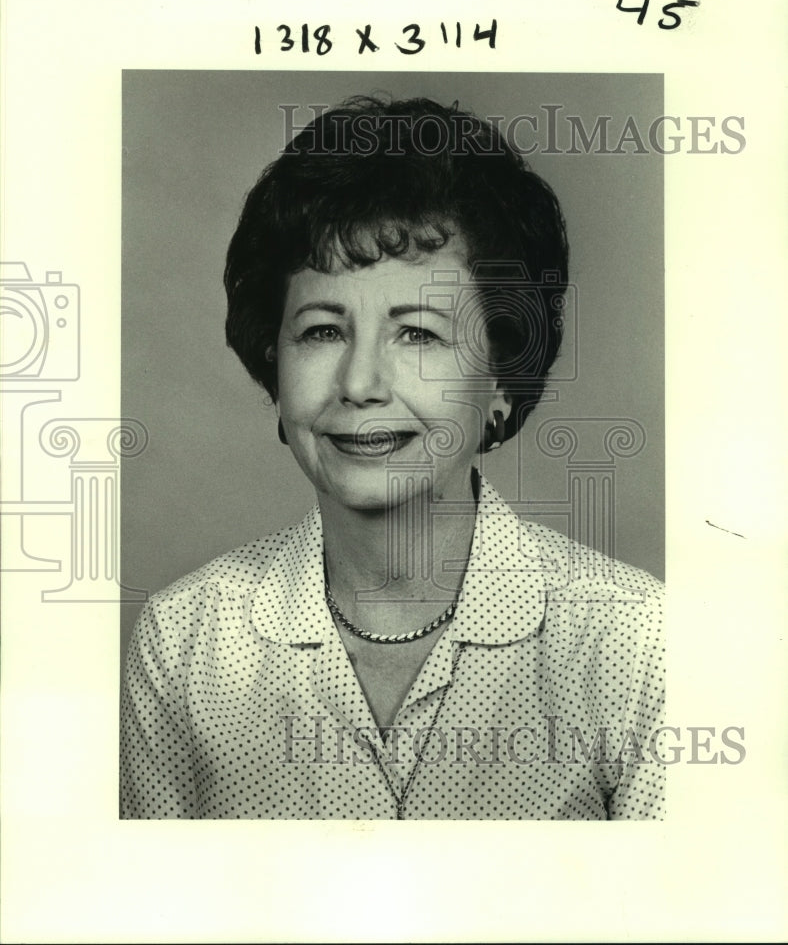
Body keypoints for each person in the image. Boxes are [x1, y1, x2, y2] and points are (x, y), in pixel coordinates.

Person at [120, 95, 664, 820]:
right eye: (320, 331)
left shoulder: (635, 640)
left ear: (501, 376)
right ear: (273, 361)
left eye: (417, 335)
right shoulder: (186, 642)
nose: (359, 384)